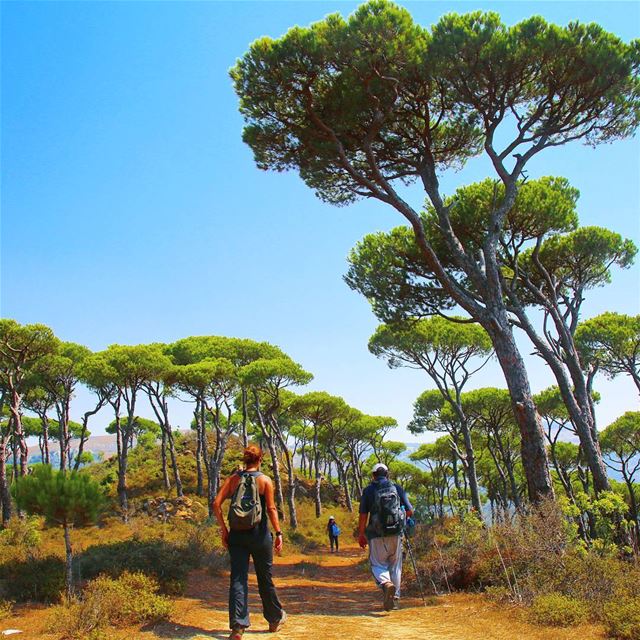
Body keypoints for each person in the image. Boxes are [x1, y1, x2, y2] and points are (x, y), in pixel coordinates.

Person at [213, 445, 287, 640]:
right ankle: (274, 619)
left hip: (237, 536)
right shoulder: (265, 480)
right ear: (260, 460)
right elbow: (271, 509)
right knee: (265, 577)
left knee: (238, 578)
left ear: (245, 460)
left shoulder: (233, 479)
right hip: (260, 535)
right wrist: (278, 533)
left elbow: (216, 504)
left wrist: (224, 530)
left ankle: (238, 627)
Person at [358, 462, 413, 611]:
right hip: (396, 534)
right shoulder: (397, 488)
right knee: (395, 566)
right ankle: (395, 599)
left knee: (377, 564)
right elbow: (409, 511)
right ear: (387, 474)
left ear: (373, 475)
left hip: (376, 535)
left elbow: (363, 515)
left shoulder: (368, 491)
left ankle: (386, 584)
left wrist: (361, 534)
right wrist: (401, 520)